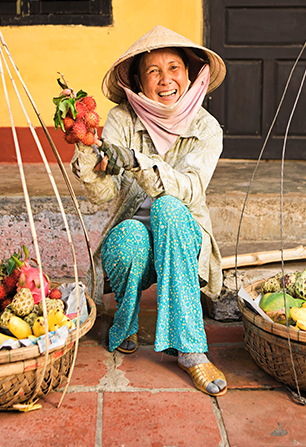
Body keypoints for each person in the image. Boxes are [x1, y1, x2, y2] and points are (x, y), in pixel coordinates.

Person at [70, 25, 227, 396]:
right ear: (139, 82)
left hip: (182, 241)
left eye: (174, 68)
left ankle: (191, 350)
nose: (165, 79)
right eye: (153, 71)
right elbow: (102, 194)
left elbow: (190, 189)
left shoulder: (207, 128)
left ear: (189, 74)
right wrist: (88, 155)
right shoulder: (122, 120)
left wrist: (136, 161)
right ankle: (124, 323)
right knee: (133, 236)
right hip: (135, 247)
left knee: (169, 209)